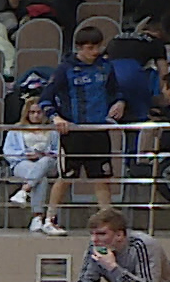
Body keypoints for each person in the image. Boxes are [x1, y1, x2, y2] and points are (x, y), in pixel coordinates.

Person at [41, 26, 124, 230]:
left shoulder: (105, 67)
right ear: (79, 47)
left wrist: (120, 102)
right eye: (89, 48)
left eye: (97, 47)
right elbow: (45, 99)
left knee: (102, 179)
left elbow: (116, 92)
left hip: (98, 131)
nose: (94, 52)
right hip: (73, 132)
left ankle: (109, 224)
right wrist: (56, 117)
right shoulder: (65, 69)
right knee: (65, 178)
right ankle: (49, 220)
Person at [4, 102, 62, 234]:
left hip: (47, 163)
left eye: (39, 112)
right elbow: (8, 152)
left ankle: (24, 190)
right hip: (22, 162)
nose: (36, 116)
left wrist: (43, 154)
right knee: (41, 179)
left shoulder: (52, 130)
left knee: (45, 162)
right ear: (27, 113)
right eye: (32, 112)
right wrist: (25, 155)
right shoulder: (16, 130)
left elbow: (58, 150)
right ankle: (37, 218)